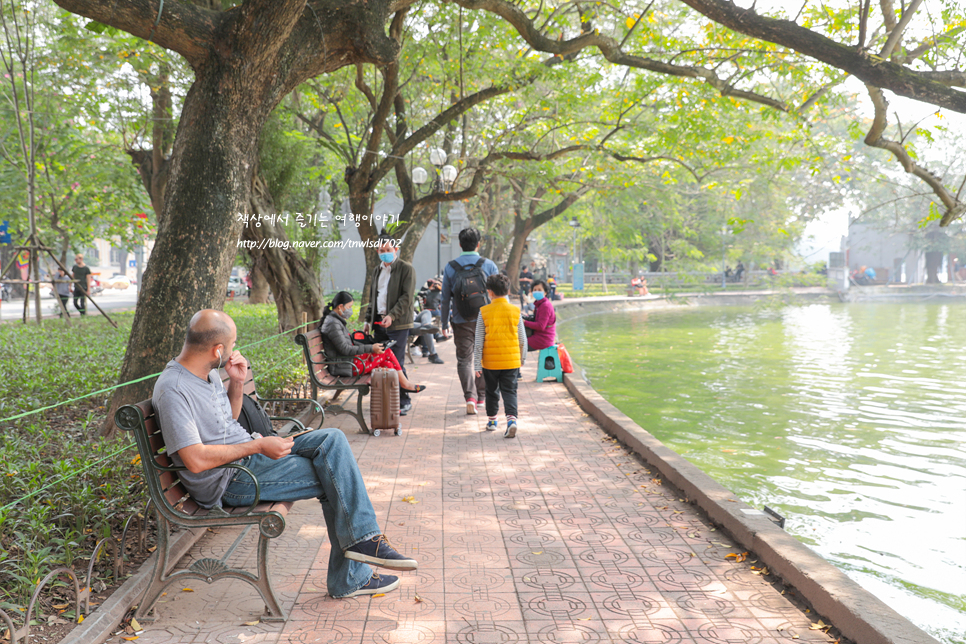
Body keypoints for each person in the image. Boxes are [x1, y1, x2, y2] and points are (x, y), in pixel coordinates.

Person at [153, 309, 417, 598]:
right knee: (336, 476)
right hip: (231, 479)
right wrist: (257, 445)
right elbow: (195, 459)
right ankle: (354, 567)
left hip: (250, 458)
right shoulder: (174, 389)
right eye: (231, 346)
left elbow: (225, 420)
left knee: (333, 439)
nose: (233, 351)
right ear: (217, 350)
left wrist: (237, 383)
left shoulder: (208, 373)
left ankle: (361, 548)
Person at [441, 228, 499, 415]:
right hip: (487, 319)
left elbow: (445, 299)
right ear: (479, 244)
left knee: (465, 360)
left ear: (459, 244)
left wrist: (443, 324)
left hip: (460, 320)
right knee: (484, 357)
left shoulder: (451, 267)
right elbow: (498, 295)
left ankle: (470, 397)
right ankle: (482, 396)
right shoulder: (489, 265)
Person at [320, 291, 428, 388]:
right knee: (387, 352)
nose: (350, 310)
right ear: (340, 307)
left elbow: (348, 345)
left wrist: (371, 345)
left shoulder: (335, 321)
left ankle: (389, 406)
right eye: (349, 307)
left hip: (348, 362)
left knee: (388, 365)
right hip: (346, 366)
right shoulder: (332, 323)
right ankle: (405, 384)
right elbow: (345, 349)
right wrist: (371, 348)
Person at [364, 235, 417, 415]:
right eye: (381, 251)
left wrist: (392, 316)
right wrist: (367, 320)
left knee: (396, 362)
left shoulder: (406, 269)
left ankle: (404, 400)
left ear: (396, 250)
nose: (385, 253)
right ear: (377, 251)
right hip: (379, 323)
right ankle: (387, 399)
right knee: (382, 363)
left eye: (388, 250)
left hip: (398, 324)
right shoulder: (376, 271)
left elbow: (407, 298)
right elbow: (374, 298)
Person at [474, 274, 526, 438]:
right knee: (510, 391)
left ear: (489, 292)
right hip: (511, 360)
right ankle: (511, 420)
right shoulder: (516, 311)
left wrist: (477, 364)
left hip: (490, 362)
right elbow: (522, 339)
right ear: (508, 290)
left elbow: (478, 341)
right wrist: (521, 359)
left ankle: (492, 421)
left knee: (491, 391)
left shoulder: (484, 312)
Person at [523, 280, 556, 352]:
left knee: (516, 344)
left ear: (545, 292)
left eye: (539, 290)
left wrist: (524, 322)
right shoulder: (539, 304)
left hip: (543, 339)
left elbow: (541, 326)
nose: (537, 291)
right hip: (539, 336)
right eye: (535, 290)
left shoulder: (545, 306)